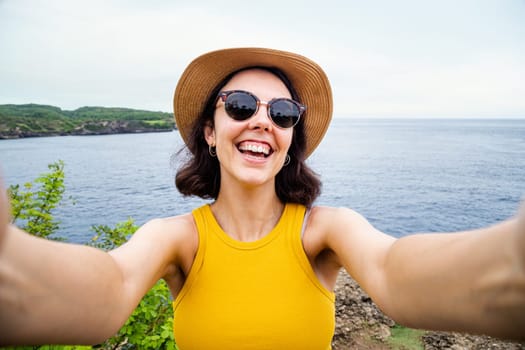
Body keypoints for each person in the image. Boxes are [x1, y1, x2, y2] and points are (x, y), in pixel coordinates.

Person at [0, 47, 524, 349]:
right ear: (209, 130)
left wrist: (510, 258)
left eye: (283, 113)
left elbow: (395, 273)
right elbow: (106, 294)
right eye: (242, 104)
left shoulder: (324, 232)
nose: (261, 121)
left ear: (291, 136)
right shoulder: (176, 240)